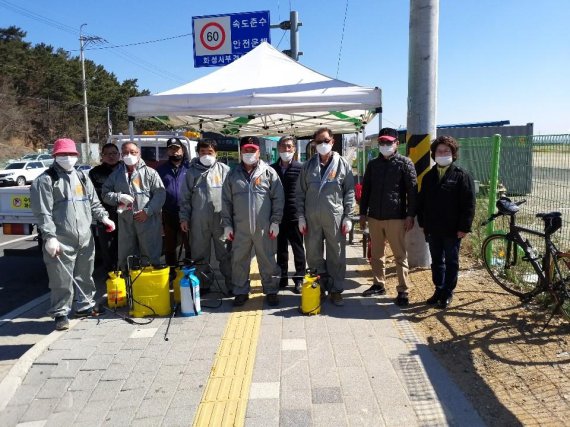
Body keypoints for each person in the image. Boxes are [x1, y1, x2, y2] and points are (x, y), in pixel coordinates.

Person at [31, 138, 115, 331]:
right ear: (55, 156)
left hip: (85, 236)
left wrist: (103, 218)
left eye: (71, 154)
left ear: (77, 156)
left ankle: (85, 306)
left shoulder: (82, 177)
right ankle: (60, 313)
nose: (67, 158)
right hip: (61, 238)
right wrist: (49, 236)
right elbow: (43, 212)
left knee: (85, 274)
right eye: (62, 154)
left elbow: (93, 202)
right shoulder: (45, 180)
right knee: (60, 278)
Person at [221, 136, 285, 307]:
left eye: (252, 150)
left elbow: (278, 198)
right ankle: (241, 291)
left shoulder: (268, 173)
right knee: (239, 260)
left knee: (268, 260)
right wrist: (227, 224)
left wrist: (275, 221)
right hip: (240, 228)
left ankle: (271, 290)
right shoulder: (232, 174)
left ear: (259, 152)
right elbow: (226, 201)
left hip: (264, 228)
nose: (249, 153)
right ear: (241, 152)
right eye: (246, 150)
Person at [359, 127, 418, 306]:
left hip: (396, 217)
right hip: (375, 217)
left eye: (388, 142)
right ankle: (379, 284)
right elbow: (366, 190)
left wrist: (410, 215)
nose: (385, 145)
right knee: (376, 254)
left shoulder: (405, 163)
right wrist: (363, 213)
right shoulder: (373, 164)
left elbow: (412, 192)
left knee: (400, 255)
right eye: (382, 142)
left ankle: (403, 290)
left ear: (396, 144)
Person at [297, 127, 355, 306]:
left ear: (332, 141)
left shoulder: (342, 164)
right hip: (312, 219)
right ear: (314, 144)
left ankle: (336, 290)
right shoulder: (307, 166)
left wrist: (348, 216)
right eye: (319, 142)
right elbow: (299, 193)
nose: (322, 145)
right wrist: (300, 216)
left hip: (334, 219)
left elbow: (349, 192)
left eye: (326, 141)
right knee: (313, 255)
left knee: (336, 255)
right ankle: (319, 287)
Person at [417, 135, 476, 308]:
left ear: (453, 153)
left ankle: (448, 291)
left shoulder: (462, 176)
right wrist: (423, 223)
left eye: (447, 151)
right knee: (436, 261)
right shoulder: (428, 177)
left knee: (451, 261)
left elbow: (469, 204)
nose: (443, 154)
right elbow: (422, 202)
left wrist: (464, 227)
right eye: (439, 151)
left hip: (453, 230)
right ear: (434, 154)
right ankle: (439, 288)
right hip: (433, 228)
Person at [103, 141, 166, 270]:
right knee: (126, 254)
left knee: (150, 253)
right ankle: (128, 285)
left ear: (139, 153)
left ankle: (150, 285)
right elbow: (105, 194)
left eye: (133, 152)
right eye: (125, 153)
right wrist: (118, 197)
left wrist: (147, 211)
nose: (129, 155)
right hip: (126, 221)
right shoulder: (116, 175)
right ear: (121, 155)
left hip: (148, 220)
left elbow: (160, 194)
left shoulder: (150, 173)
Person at [180, 139, 232, 294]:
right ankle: (203, 284)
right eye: (203, 152)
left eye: (210, 152)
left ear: (216, 153)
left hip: (221, 220)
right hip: (198, 220)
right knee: (200, 254)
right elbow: (185, 198)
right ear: (198, 153)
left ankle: (232, 284)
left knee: (225, 253)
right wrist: (184, 217)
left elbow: (232, 196)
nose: (206, 155)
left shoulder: (225, 170)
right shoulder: (191, 172)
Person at [270, 135, 306, 294]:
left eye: (289, 146)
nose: (286, 149)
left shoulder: (301, 168)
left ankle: (299, 279)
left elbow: (305, 192)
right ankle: (282, 277)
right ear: (278, 148)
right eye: (283, 146)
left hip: (295, 216)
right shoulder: (271, 169)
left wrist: (303, 216)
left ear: (294, 149)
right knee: (281, 249)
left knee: (298, 249)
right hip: (278, 218)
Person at [157, 138, 190, 269]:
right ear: (167, 151)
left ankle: (189, 271)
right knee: (170, 246)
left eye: (177, 148)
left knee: (189, 245)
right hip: (168, 213)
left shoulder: (190, 167)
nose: (174, 152)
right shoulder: (160, 170)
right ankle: (171, 273)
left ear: (182, 150)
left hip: (187, 213)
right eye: (171, 149)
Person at [89, 142, 121, 272]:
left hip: (126, 216)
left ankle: (125, 275)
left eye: (114, 153)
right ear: (102, 156)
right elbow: (95, 195)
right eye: (107, 154)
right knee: (107, 249)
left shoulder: (127, 169)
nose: (111, 156)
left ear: (119, 155)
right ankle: (111, 275)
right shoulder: (95, 173)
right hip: (105, 216)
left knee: (126, 247)